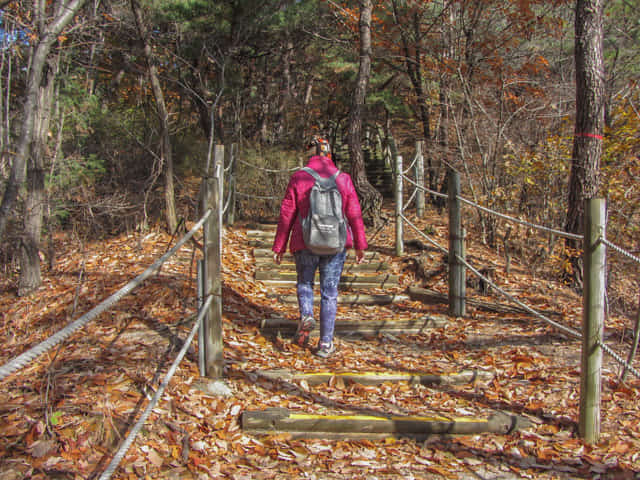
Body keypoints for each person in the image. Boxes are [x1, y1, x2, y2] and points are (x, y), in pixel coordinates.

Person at [272, 136, 368, 358]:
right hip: (336, 244)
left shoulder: (299, 177)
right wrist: (360, 245)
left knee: (305, 283)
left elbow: (287, 214)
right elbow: (354, 213)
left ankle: (307, 314)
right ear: (329, 154)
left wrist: (280, 246)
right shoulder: (343, 179)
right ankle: (325, 344)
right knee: (330, 292)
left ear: (311, 154)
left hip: (305, 241)